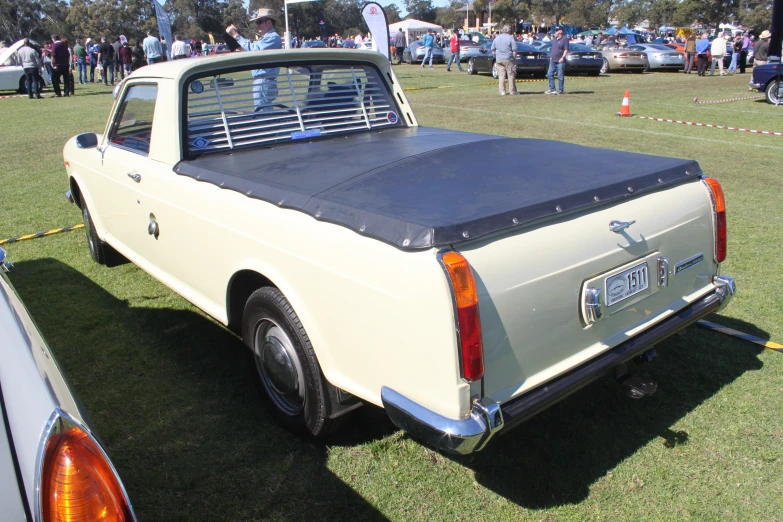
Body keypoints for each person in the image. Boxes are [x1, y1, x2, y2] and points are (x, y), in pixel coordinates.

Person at [226, 8, 283, 112]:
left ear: (269, 22)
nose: (257, 25)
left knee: (263, 116)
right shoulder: (266, 39)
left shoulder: (273, 37)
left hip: (264, 82)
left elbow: (254, 49)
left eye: (259, 21)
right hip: (264, 81)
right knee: (264, 114)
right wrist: (235, 42)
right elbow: (250, 50)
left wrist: (236, 35)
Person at [490, 25, 517, 95]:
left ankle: (502, 91)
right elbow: (514, 50)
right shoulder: (510, 38)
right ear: (508, 31)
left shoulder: (497, 38)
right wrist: (514, 58)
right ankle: (512, 91)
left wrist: (496, 55)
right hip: (508, 58)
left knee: (501, 75)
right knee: (511, 75)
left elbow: (492, 49)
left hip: (499, 59)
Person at [545, 25, 568, 95]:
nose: (556, 32)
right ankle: (552, 89)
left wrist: (563, 57)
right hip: (553, 60)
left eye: (557, 30)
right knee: (549, 74)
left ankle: (561, 90)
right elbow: (553, 48)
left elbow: (566, 49)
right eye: (555, 30)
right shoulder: (554, 39)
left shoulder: (565, 39)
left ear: (561, 31)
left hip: (560, 60)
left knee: (560, 76)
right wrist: (551, 56)